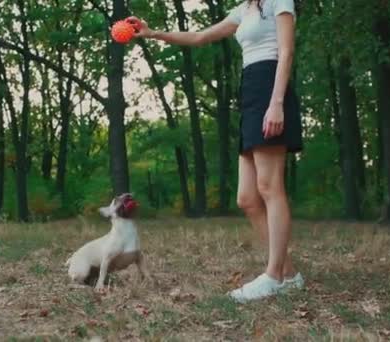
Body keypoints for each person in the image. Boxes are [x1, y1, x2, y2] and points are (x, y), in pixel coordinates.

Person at [128, 0, 304, 302]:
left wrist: (276, 103)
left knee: (269, 186)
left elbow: (286, 51)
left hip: (270, 88)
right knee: (247, 198)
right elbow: (199, 37)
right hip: (250, 91)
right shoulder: (243, 9)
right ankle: (288, 273)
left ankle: (274, 276)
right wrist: (152, 33)